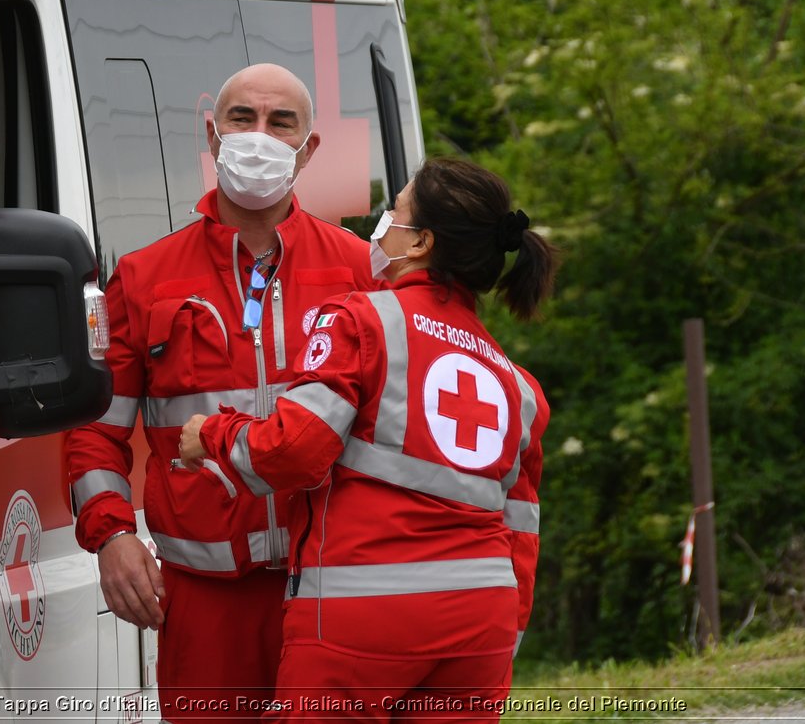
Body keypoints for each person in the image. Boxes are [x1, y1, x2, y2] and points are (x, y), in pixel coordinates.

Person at [180, 157, 557, 723]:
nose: (381, 225)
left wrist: (211, 434)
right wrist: (507, 637)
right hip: (484, 623)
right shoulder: (518, 386)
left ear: (422, 242)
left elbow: (293, 452)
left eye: (394, 212)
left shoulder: (361, 321)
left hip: (362, 615)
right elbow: (521, 535)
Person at [64, 63, 379, 722]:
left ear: (308, 147)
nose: (258, 135)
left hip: (330, 588)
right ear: (212, 135)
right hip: (206, 599)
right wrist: (112, 537)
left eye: (280, 121)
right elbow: (95, 429)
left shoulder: (360, 271)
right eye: (243, 118)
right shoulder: (144, 277)